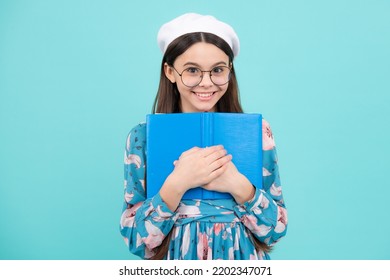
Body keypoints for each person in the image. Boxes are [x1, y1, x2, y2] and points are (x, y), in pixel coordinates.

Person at [120, 13, 288, 260]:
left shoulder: (257, 132)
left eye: (218, 70)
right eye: (192, 70)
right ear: (169, 71)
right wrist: (177, 183)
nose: (206, 83)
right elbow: (136, 240)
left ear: (230, 71)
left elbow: (275, 230)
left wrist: (239, 186)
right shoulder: (142, 137)